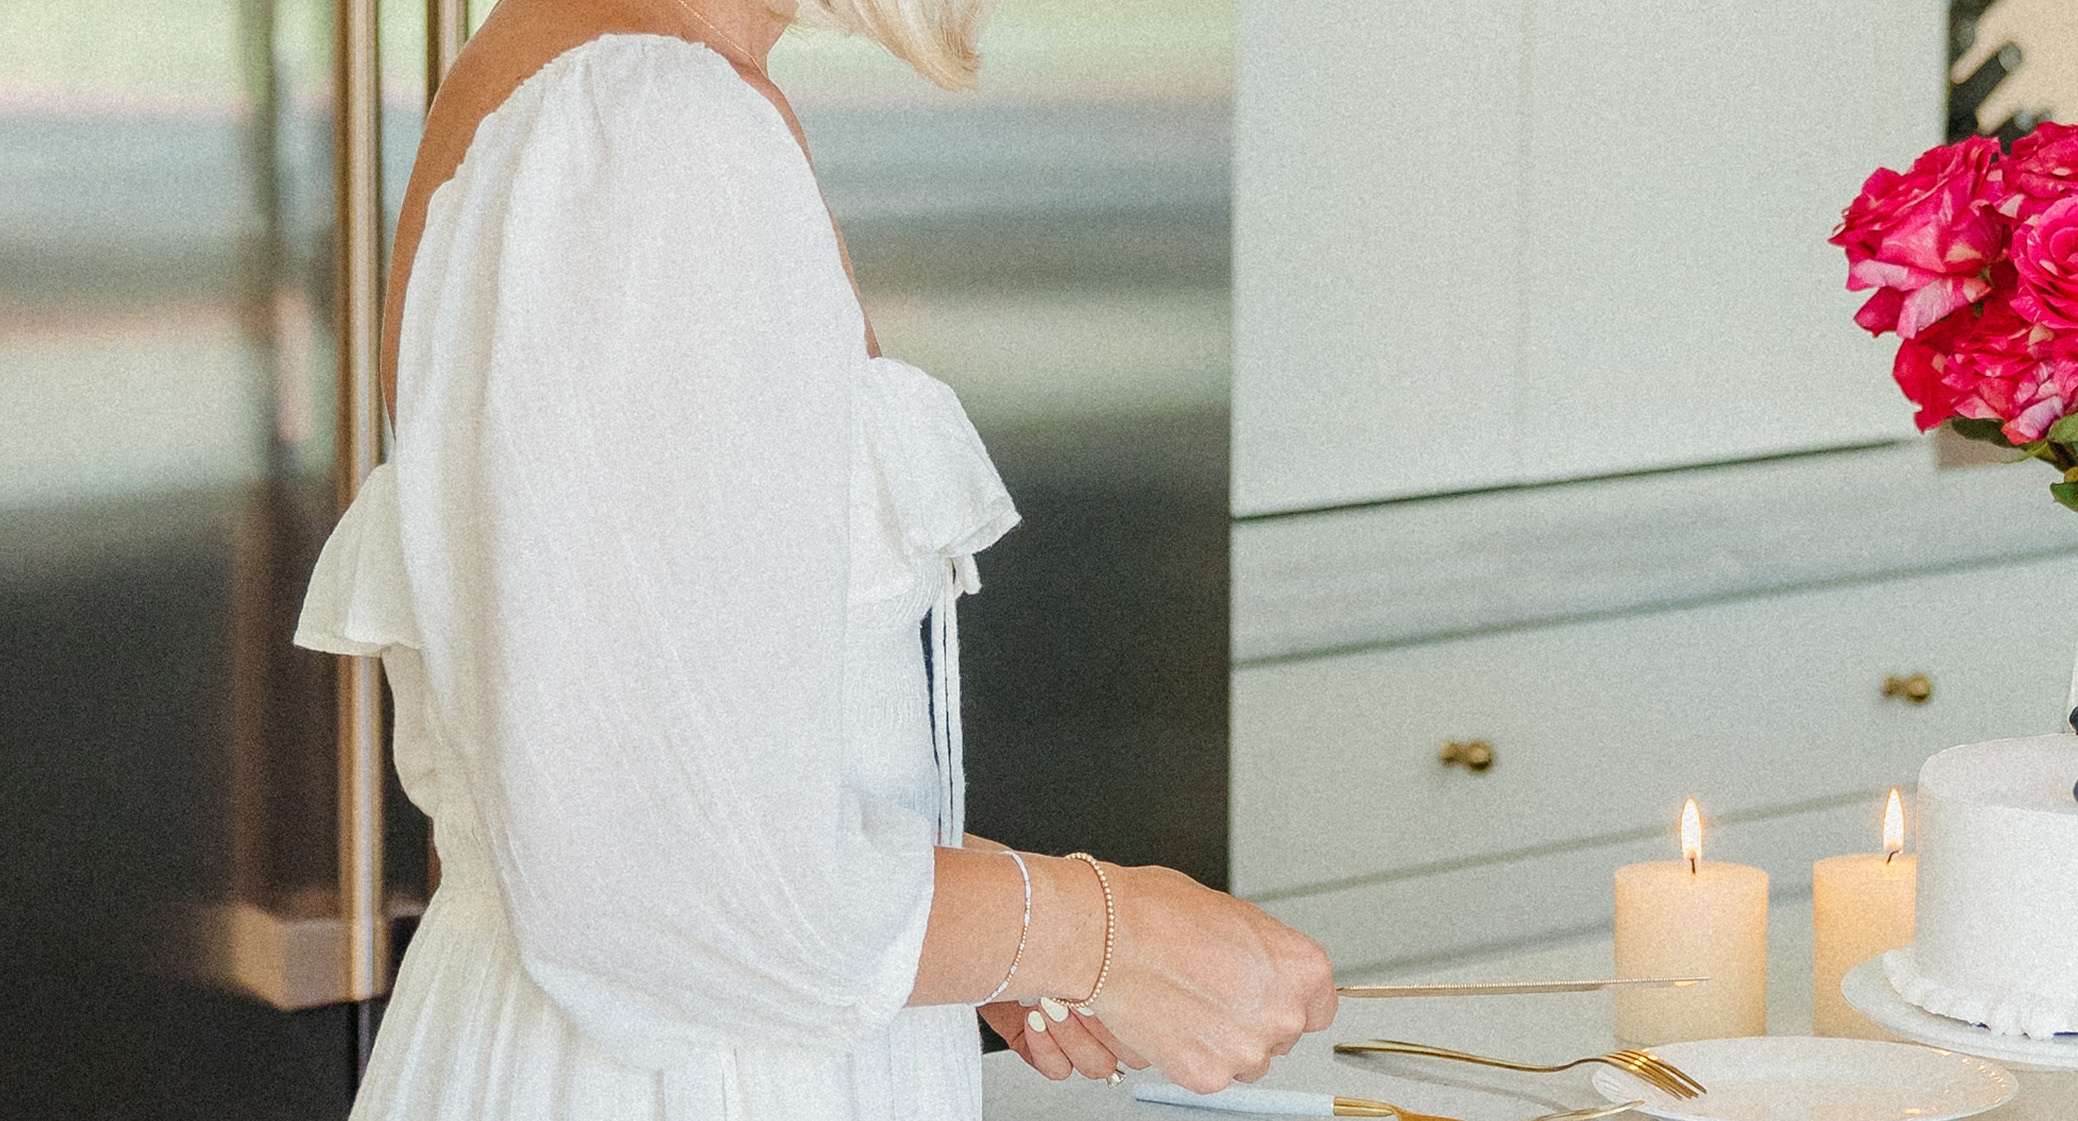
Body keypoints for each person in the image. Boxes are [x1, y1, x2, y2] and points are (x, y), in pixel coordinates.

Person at [291, 1, 1335, 1115]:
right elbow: (652, 879)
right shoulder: (653, 124)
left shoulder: (587, 80)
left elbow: (669, 760)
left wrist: (985, 934)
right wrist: (1099, 932)